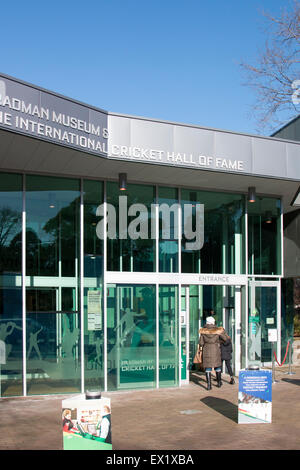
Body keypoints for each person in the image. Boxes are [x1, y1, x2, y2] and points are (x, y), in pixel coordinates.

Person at [198, 316, 228, 390]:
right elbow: (225, 339)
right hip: (215, 349)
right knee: (217, 366)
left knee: (208, 368)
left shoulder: (203, 331)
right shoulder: (218, 330)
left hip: (206, 350)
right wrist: (219, 341)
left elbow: (201, 343)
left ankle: (209, 385)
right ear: (213, 322)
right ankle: (219, 382)